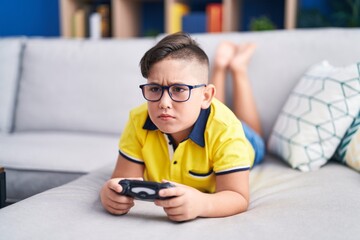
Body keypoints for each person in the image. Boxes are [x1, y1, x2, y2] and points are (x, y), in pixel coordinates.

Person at [100, 32, 265, 222]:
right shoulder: (138, 119)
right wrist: (111, 193)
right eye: (154, 88)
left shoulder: (228, 130)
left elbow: (238, 197)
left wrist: (202, 203)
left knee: (252, 132)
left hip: (245, 138)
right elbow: (122, 180)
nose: (163, 103)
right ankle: (220, 65)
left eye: (178, 89)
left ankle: (237, 68)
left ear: (206, 96)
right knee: (203, 109)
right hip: (206, 114)